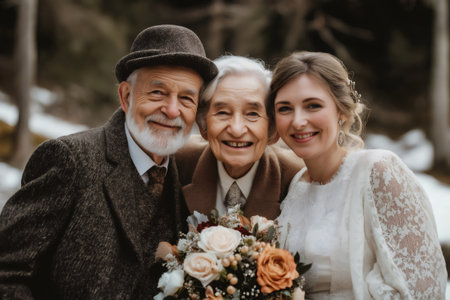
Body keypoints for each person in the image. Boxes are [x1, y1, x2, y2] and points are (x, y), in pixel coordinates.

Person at [0, 24, 218, 299]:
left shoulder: (187, 180)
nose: (172, 110)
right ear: (126, 96)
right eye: (157, 93)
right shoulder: (69, 160)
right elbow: (7, 272)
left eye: (186, 99)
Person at [270, 51, 447, 299]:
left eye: (313, 105)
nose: (298, 121)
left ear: (341, 110)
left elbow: (424, 288)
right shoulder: (294, 187)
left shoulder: (378, 170)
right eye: (285, 108)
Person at [176, 55, 303, 220]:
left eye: (252, 114)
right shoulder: (176, 163)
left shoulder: (296, 178)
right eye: (222, 112)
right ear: (202, 124)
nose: (236, 130)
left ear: (272, 128)